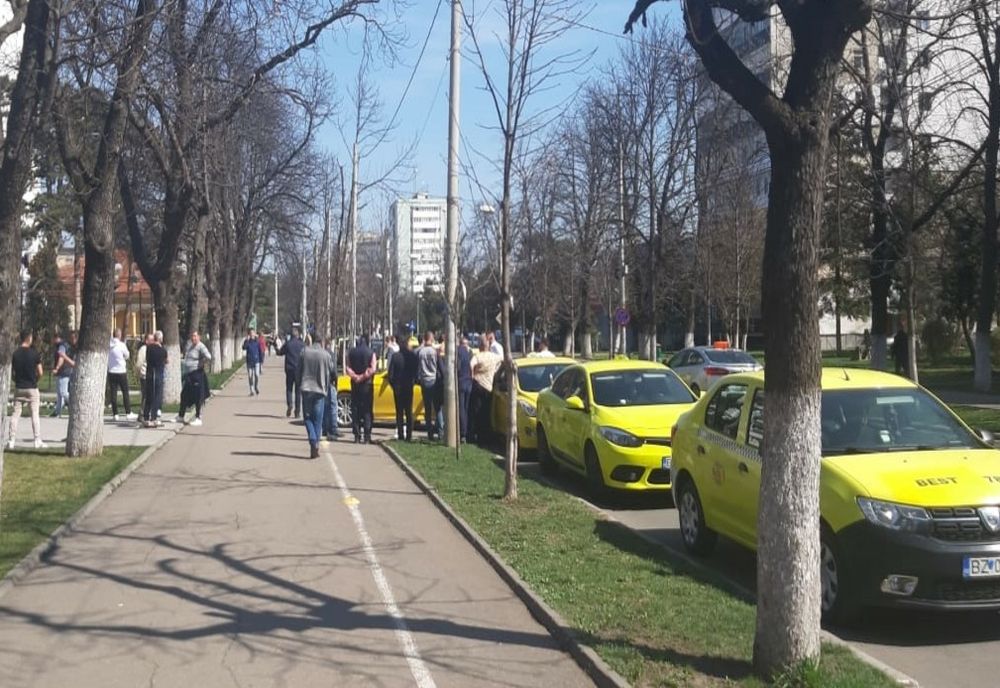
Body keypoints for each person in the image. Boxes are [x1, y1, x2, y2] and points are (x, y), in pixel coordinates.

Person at [297, 335, 334, 459]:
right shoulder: (326, 355)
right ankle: (316, 443)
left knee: (307, 418)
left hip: (306, 389)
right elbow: (331, 371)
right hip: (320, 390)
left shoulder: (304, 352)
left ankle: (312, 439)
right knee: (318, 419)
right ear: (322, 341)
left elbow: (299, 370)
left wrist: (298, 385)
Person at [8, 330, 45, 449]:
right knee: (34, 414)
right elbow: (40, 372)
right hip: (32, 387)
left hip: (19, 387)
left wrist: (16, 381)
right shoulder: (34, 354)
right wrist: (35, 380)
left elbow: (12, 372)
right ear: (29, 338)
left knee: (15, 414)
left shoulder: (15, 354)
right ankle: (37, 440)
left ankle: (11, 440)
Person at [470, 338, 502, 443]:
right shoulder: (494, 357)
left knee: (476, 410)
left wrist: (472, 375)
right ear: (488, 347)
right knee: (486, 411)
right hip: (488, 387)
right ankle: (485, 435)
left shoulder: (477, 356)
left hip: (477, 385)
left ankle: (477, 434)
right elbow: (503, 359)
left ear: (480, 347)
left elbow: (471, 364)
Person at [177, 331, 212, 426]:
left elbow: (209, 356)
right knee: (184, 394)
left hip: (197, 374)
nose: (194, 338)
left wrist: (201, 362)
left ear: (199, 337)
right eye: (192, 336)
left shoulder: (201, 346)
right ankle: (181, 416)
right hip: (189, 374)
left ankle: (198, 417)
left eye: (195, 336)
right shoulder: (190, 346)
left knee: (198, 397)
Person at [388, 333, 419, 441]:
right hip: (408, 386)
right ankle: (409, 435)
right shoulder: (413, 356)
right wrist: (413, 381)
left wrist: (394, 385)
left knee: (399, 412)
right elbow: (416, 372)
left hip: (398, 388)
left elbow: (390, 375)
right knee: (409, 411)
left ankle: (401, 434)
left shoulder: (395, 357)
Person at [347, 334, 376, 443]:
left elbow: (348, 367)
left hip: (355, 384)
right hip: (367, 384)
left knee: (355, 409)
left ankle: (357, 435)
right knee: (367, 410)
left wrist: (355, 377)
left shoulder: (351, 352)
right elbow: (373, 369)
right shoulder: (371, 352)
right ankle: (367, 436)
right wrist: (363, 376)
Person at [417, 331, 441, 440]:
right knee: (437, 408)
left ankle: (429, 433)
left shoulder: (420, 352)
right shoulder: (435, 352)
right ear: (431, 339)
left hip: (424, 381)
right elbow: (439, 367)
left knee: (427, 408)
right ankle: (440, 432)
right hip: (434, 380)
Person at [277, 327, 305, 417]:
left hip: (289, 370)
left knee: (289, 389)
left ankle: (290, 404)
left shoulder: (288, 344)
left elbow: (280, 352)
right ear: (298, 334)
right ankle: (297, 411)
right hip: (299, 370)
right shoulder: (302, 345)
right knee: (298, 391)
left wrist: (276, 346)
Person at [108, 328, 135, 420]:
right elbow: (127, 355)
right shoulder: (121, 345)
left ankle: (115, 414)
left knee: (113, 393)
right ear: (119, 335)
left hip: (111, 371)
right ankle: (128, 412)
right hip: (121, 371)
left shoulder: (109, 345)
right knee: (125, 392)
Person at [143, 331, 168, 427]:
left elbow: (147, 358)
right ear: (161, 339)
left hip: (149, 374)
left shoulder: (149, 348)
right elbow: (166, 361)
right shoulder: (163, 350)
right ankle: (153, 417)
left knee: (149, 396)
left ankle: (146, 417)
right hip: (158, 375)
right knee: (157, 396)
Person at [51, 332, 75, 418]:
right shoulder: (63, 345)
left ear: (57, 338)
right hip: (63, 371)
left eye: (53, 338)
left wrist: (57, 368)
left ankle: (74, 404)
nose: (52, 340)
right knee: (59, 393)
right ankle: (57, 411)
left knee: (63, 392)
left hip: (64, 371)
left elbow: (61, 357)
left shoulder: (62, 346)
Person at [322, 338, 342, 441]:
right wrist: (335, 380)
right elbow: (333, 370)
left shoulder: (321, 354)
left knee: (325, 407)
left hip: (322, 383)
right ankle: (333, 429)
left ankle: (325, 428)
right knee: (333, 406)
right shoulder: (331, 354)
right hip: (330, 383)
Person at [457, 336, 473, 443]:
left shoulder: (458, 352)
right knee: (467, 409)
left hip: (461, 382)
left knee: (461, 409)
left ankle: (463, 434)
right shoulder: (470, 353)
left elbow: (457, 368)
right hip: (469, 383)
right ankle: (467, 433)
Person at [134, 333, 151, 416]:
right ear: (146, 341)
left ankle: (146, 412)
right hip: (144, 375)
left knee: (148, 395)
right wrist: (138, 373)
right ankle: (142, 413)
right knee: (145, 395)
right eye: (151, 340)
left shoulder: (151, 348)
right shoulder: (143, 349)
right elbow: (139, 363)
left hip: (150, 375)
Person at [243, 328, 262, 395]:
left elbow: (260, 350)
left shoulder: (257, 341)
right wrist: (247, 340)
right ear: (249, 334)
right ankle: (252, 390)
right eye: (250, 333)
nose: (251, 334)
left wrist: (261, 360)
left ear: (254, 333)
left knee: (257, 375)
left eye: (253, 333)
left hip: (256, 361)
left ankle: (256, 386)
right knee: (250, 376)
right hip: (249, 361)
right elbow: (244, 348)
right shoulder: (247, 341)